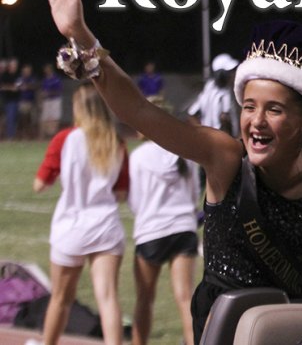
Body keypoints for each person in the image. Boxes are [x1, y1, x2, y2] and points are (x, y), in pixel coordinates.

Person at [45, 0, 302, 345]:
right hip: (230, 328)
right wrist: (81, 34)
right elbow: (139, 110)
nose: (255, 120)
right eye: (250, 106)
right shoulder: (226, 158)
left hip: (291, 324)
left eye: (274, 109)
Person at [33, 83, 129, 345]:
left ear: (79, 109)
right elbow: (121, 194)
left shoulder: (65, 139)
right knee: (108, 298)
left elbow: (40, 185)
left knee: (61, 299)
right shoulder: (116, 140)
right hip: (106, 226)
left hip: (72, 225)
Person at [128, 98, 201, 345]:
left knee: (144, 299)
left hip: (151, 231)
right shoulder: (184, 153)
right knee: (185, 298)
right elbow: (194, 195)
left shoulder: (138, 157)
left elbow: (135, 202)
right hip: (184, 229)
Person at [188, 53, 239, 136]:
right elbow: (225, 118)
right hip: (219, 140)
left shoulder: (214, 87)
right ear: (222, 74)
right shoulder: (214, 90)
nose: (234, 73)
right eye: (230, 71)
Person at [39, 63, 64, 139]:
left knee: (55, 118)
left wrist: (49, 93)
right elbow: (42, 90)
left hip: (55, 100)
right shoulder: (45, 79)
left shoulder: (56, 79)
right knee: (44, 118)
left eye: (47, 69)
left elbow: (59, 91)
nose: (46, 71)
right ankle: (41, 136)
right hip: (46, 100)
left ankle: (55, 136)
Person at [16, 63, 38, 140]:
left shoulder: (32, 79)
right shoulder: (20, 79)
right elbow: (17, 87)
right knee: (23, 119)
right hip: (23, 101)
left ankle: (32, 136)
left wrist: (27, 86)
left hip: (31, 101)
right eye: (25, 71)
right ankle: (24, 135)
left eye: (28, 71)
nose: (26, 72)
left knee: (31, 119)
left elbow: (34, 86)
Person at [0, 57, 20, 140]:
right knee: (9, 118)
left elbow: (19, 85)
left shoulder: (17, 75)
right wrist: (11, 88)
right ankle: (9, 136)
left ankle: (11, 135)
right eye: (12, 65)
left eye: (15, 65)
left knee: (14, 118)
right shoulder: (5, 75)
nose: (14, 67)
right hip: (7, 100)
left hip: (16, 100)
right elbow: (2, 87)